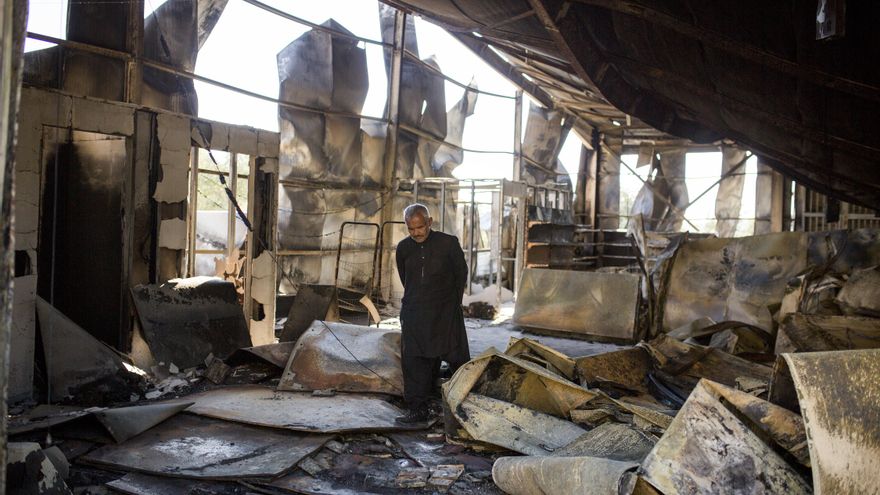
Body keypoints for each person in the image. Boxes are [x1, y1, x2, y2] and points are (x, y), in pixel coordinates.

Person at [394, 203, 470, 423]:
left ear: (430, 222)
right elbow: (405, 278)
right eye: (411, 229)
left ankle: (462, 408)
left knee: (456, 358)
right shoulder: (403, 248)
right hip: (415, 313)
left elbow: (460, 275)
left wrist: (452, 305)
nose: (416, 233)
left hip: (445, 312)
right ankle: (418, 408)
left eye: (420, 227)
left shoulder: (448, 243)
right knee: (414, 361)